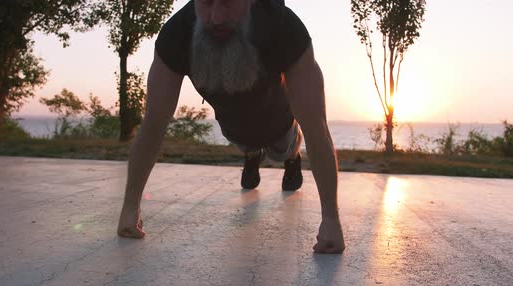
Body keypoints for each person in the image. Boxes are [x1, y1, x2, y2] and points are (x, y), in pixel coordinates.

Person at [117, 0, 345, 254]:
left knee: (281, 148)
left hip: (279, 123)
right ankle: (251, 154)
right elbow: (153, 124)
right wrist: (130, 208)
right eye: (206, 3)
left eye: (228, 3)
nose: (216, 17)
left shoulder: (284, 28)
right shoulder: (176, 35)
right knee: (245, 142)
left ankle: (292, 158)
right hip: (234, 127)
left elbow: (316, 125)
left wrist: (331, 220)